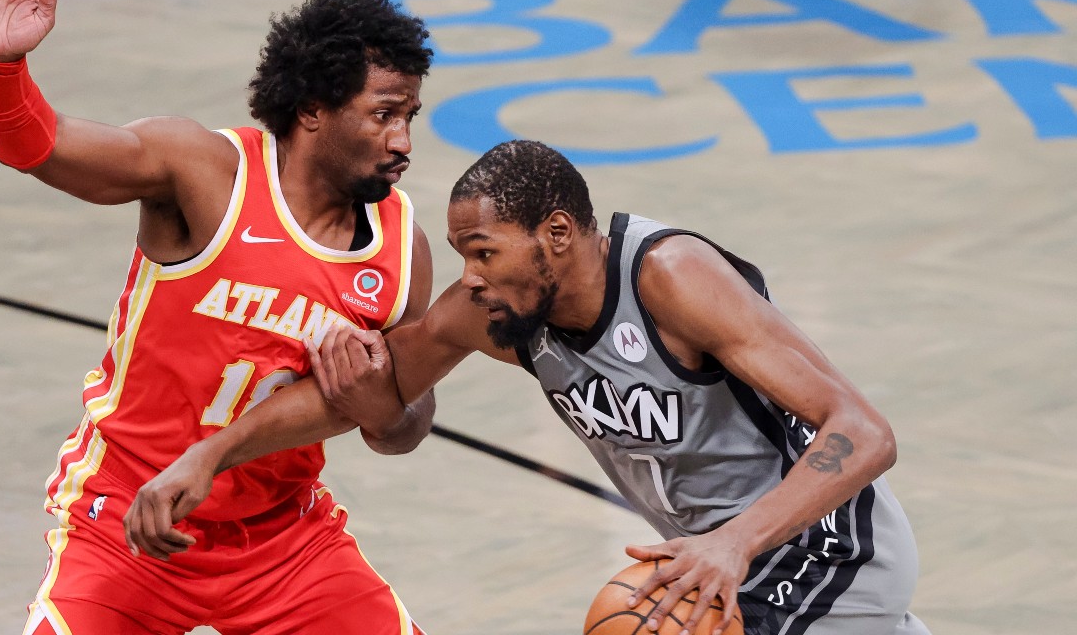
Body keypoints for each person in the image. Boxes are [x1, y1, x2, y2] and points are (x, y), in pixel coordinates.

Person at [131, 140, 931, 635]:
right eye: (462, 255)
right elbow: (367, 399)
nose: (470, 278)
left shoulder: (670, 278)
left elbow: (863, 432)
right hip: (710, 557)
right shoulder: (502, 313)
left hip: (823, 548)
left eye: (483, 253)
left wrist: (733, 543)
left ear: (555, 234)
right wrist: (214, 453)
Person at [0, 0, 437, 633]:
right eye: (383, 115)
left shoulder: (401, 250)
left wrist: (383, 410)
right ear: (312, 110)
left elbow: (407, 426)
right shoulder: (202, 172)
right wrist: (3, 68)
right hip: (127, 519)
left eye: (410, 116)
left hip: (283, 541)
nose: (402, 141)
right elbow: (38, 146)